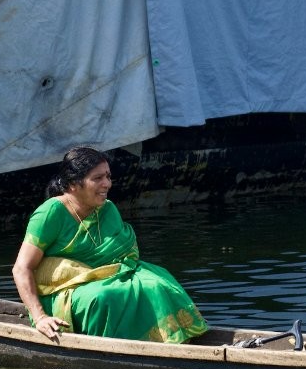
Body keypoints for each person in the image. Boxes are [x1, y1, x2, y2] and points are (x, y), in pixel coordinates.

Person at [11, 146, 209, 344]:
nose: (107, 184)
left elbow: (122, 255)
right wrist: (40, 317)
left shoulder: (107, 209)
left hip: (112, 276)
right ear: (73, 184)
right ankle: (108, 349)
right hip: (65, 292)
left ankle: (169, 342)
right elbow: (21, 268)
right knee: (104, 297)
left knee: (158, 282)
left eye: (108, 176)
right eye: (97, 178)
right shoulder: (51, 212)